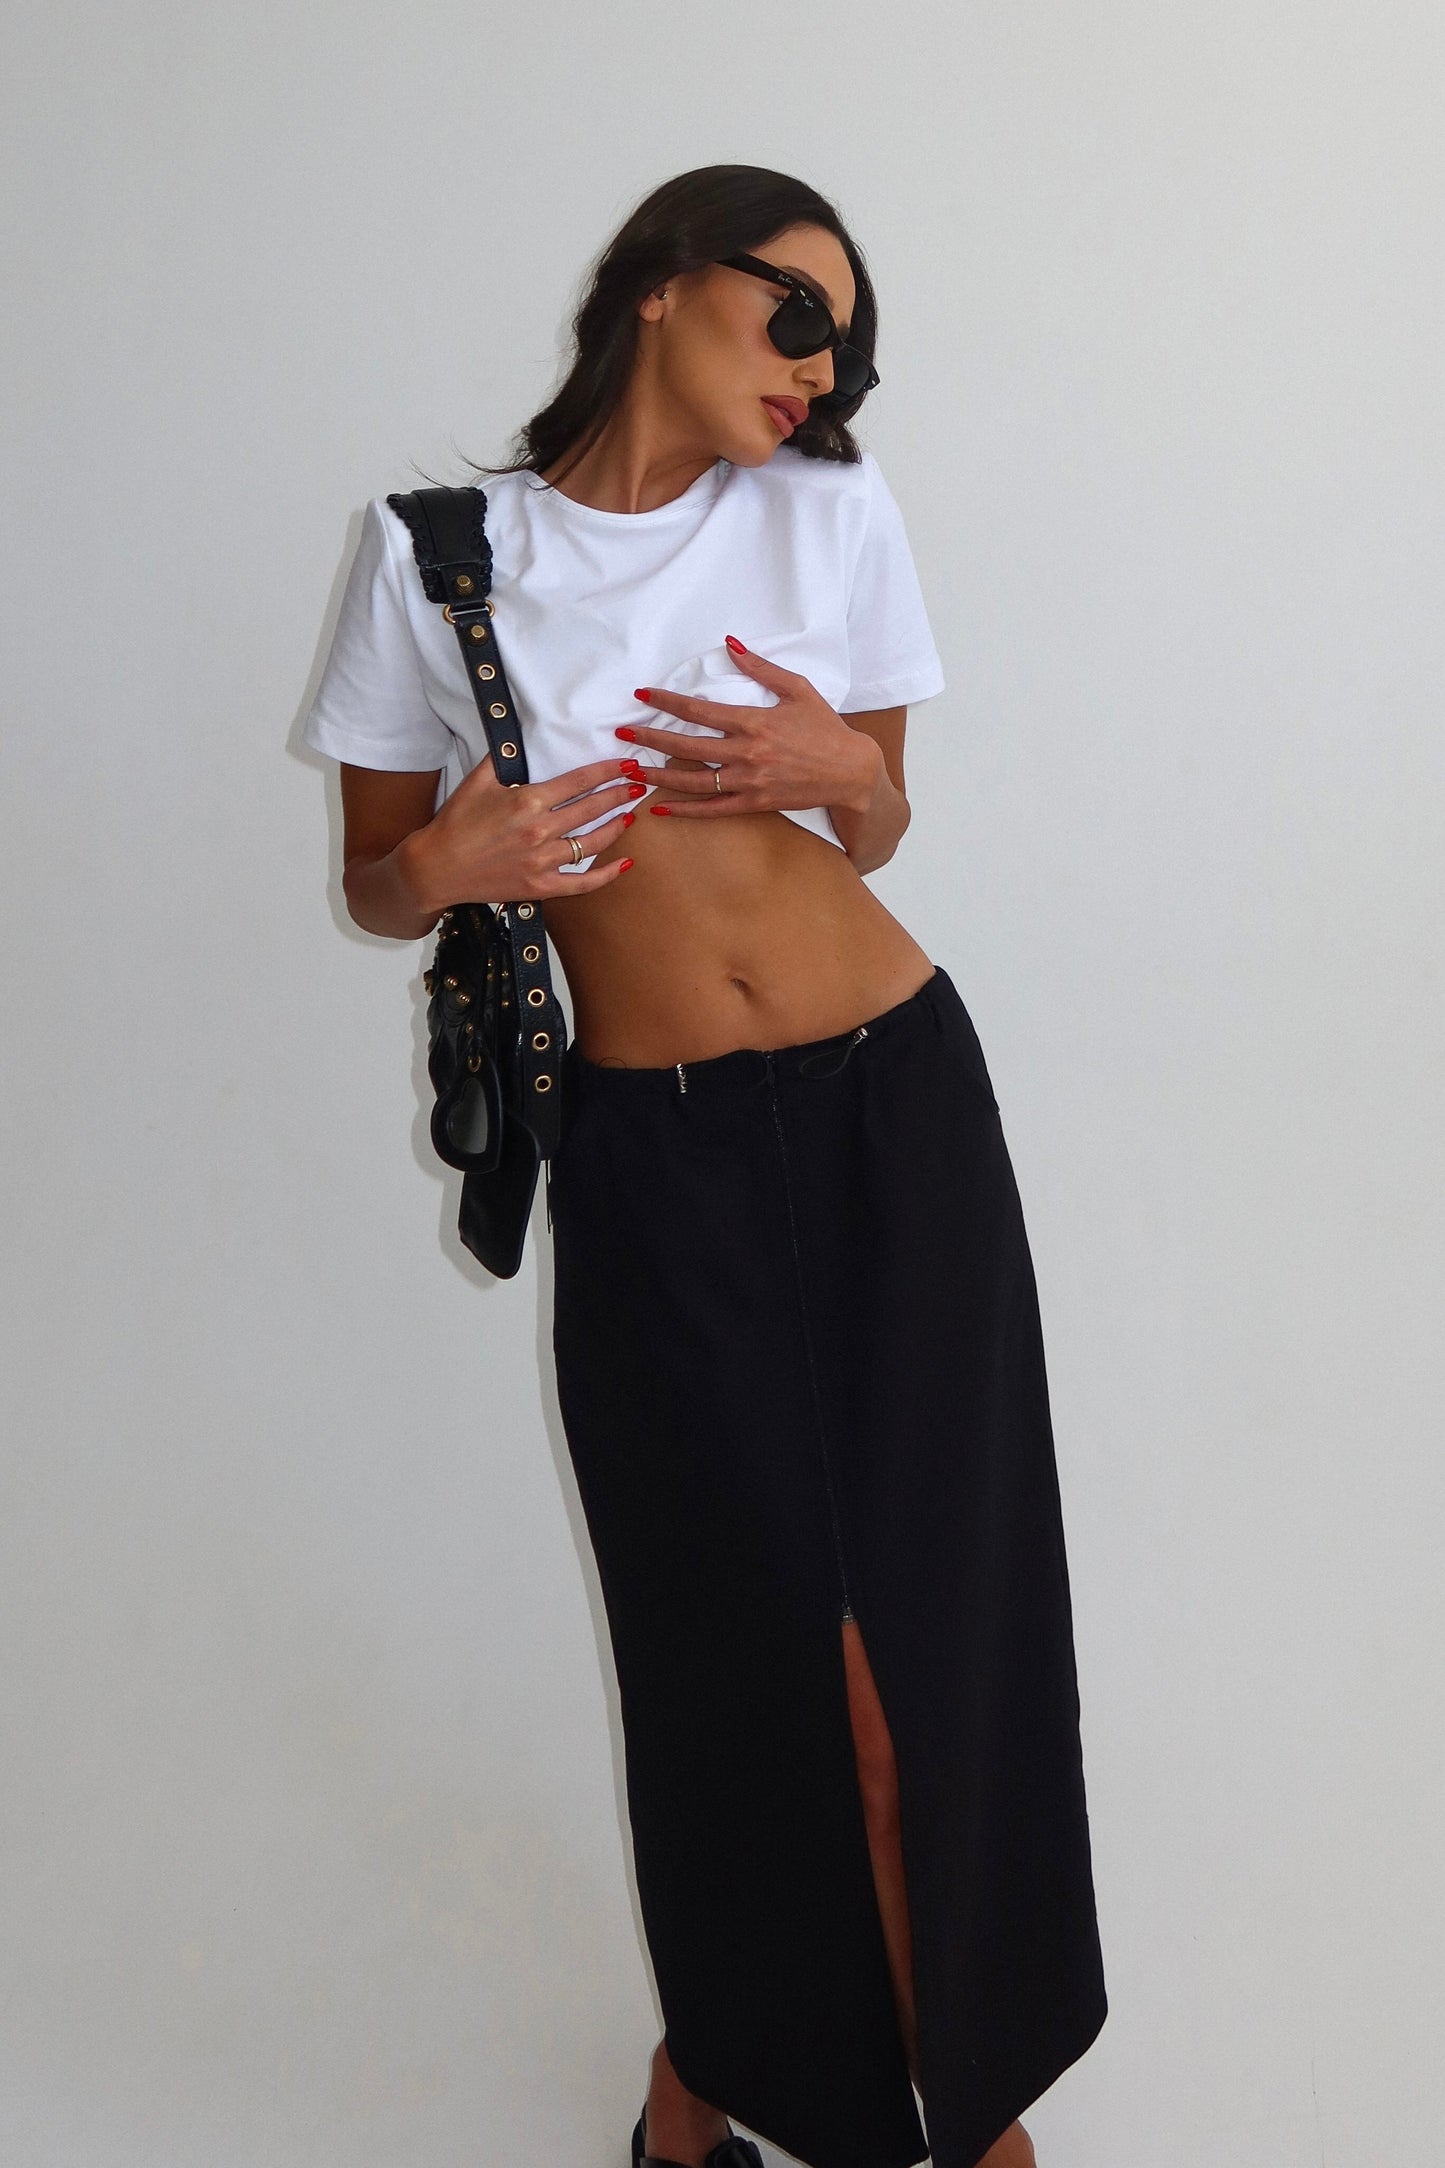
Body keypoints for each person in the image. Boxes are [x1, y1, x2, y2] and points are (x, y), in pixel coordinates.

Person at [301, 163, 1107, 2168]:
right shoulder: (440, 556)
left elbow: (882, 818)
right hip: (652, 1155)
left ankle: (968, 2117)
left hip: (894, 1109)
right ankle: (719, 2066)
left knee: (936, 1630)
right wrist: (453, 858)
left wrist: (854, 781)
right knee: (731, 1640)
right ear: (662, 285)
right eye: (796, 313)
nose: (822, 373)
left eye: (852, 348)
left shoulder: (829, 509)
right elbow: (376, 879)